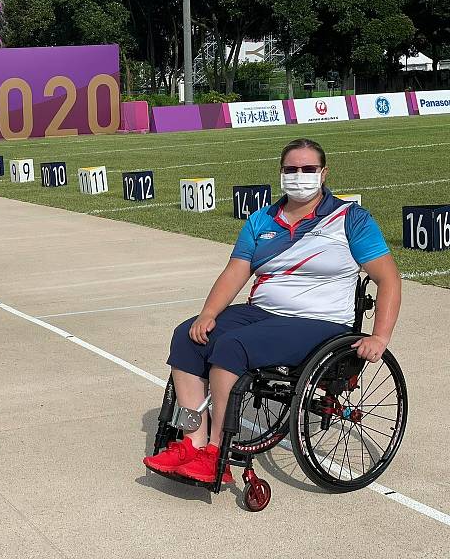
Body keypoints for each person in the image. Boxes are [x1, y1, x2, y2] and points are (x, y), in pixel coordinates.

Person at [143, 138, 401, 484]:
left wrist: (380, 336)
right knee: (187, 336)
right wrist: (208, 313)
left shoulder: (350, 220)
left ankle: (215, 451)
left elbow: (389, 279)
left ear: (324, 174)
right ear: (281, 173)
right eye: (291, 169)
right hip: (264, 313)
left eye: (308, 169)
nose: (299, 176)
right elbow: (236, 271)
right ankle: (193, 441)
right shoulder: (261, 219)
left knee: (232, 347)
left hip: (321, 322)